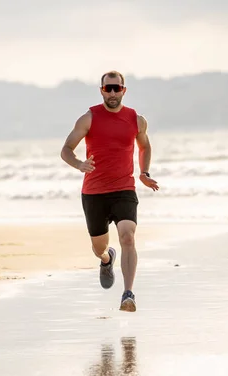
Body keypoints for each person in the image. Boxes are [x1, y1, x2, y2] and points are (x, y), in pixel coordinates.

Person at [60, 70, 159, 312]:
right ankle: (107, 259)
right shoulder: (89, 118)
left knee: (128, 236)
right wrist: (79, 164)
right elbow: (66, 150)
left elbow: (144, 146)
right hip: (94, 193)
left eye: (117, 88)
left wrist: (144, 173)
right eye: (108, 88)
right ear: (102, 90)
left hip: (124, 189)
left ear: (124, 90)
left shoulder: (136, 120)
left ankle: (128, 294)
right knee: (99, 248)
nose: (112, 93)